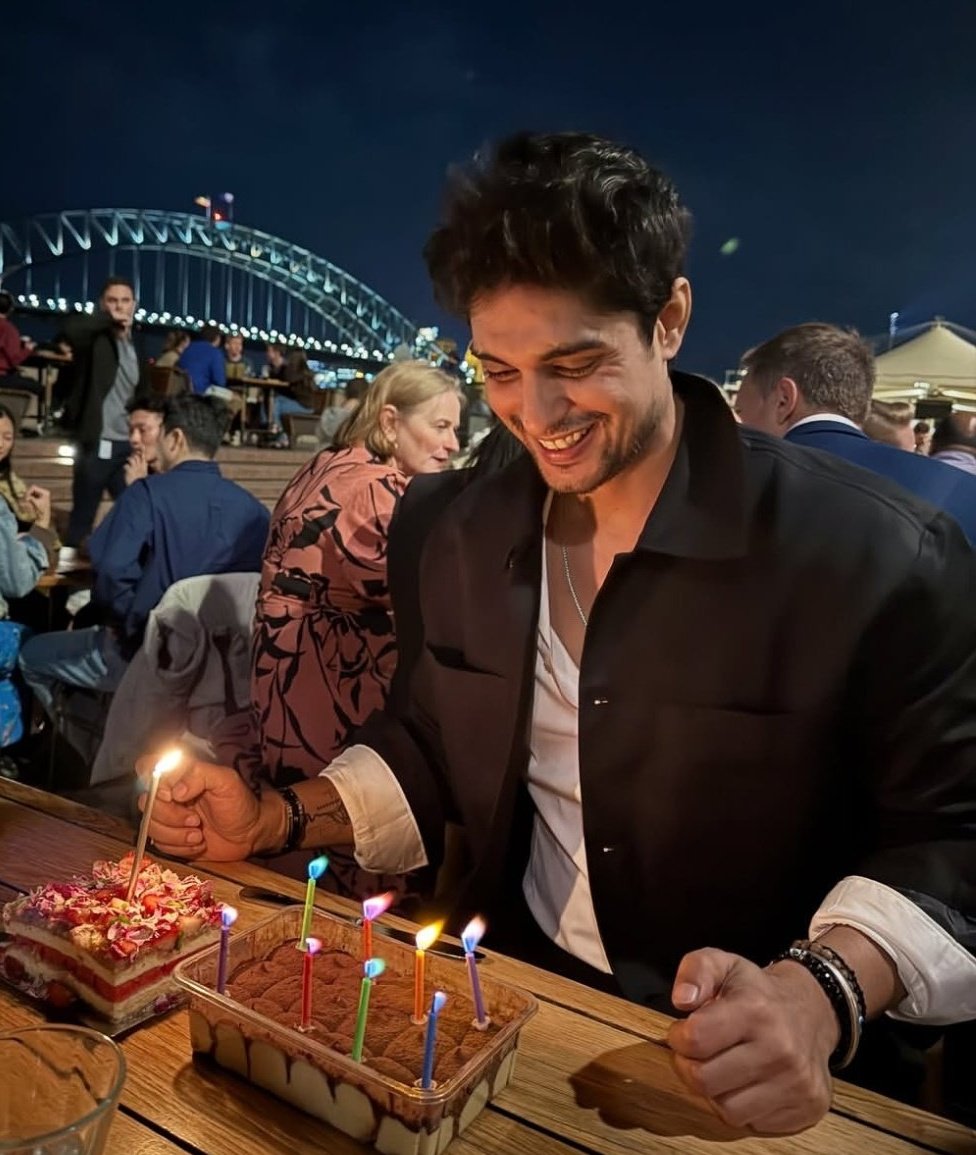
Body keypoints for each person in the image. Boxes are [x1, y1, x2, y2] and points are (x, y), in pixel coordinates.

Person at [143, 133, 976, 1134]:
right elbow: (430, 739)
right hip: (503, 1006)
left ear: (669, 318)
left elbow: (953, 836)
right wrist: (275, 820)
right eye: (498, 370)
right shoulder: (448, 524)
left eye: (573, 365)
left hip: (753, 1077)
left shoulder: (876, 557)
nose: (535, 417)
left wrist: (818, 994)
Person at [20, 395, 270, 746]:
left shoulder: (148, 495)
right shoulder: (255, 513)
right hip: (222, 673)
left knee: (30, 655)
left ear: (176, 438)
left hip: (147, 658)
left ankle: (91, 752)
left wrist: (134, 623)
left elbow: (108, 570)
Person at [734, 322, 976, 544]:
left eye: (742, 413)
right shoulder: (964, 494)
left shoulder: (740, 489)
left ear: (783, 400)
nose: (737, 427)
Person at [58, 277, 148, 548]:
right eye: (112, 301)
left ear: (134, 304)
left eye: (125, 301)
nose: (119, 307)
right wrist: (107, 320)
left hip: (127, 444)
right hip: (97, 442)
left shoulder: (137, 342)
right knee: (82, 518)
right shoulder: (94, 339)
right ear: (102, 305)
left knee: (136, 511)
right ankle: (66, 585)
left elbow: (143, 391)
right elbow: (71, 331)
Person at [0, 292, 41, 400]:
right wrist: (28, 349)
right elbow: (14, 360)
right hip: (2, 377)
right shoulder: (8, 330)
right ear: (10, 309)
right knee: (36, 386)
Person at [124, 393, 167, 485]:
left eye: (143, 430)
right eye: (131, 431)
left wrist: (137, 486)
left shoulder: (180, 479)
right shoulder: (135, 472)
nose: (133, 439)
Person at [318, 378, 369, 447]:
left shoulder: (328, 414)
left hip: (324, 455)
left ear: (345, 392)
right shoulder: (367, 420)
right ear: (367, 395)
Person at [177, 326, 226, 395]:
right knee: (236, 399)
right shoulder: (215, 352)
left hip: (182, 391)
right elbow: (220, 381)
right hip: (201, 393)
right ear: (217, 338)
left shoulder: (188, 348)